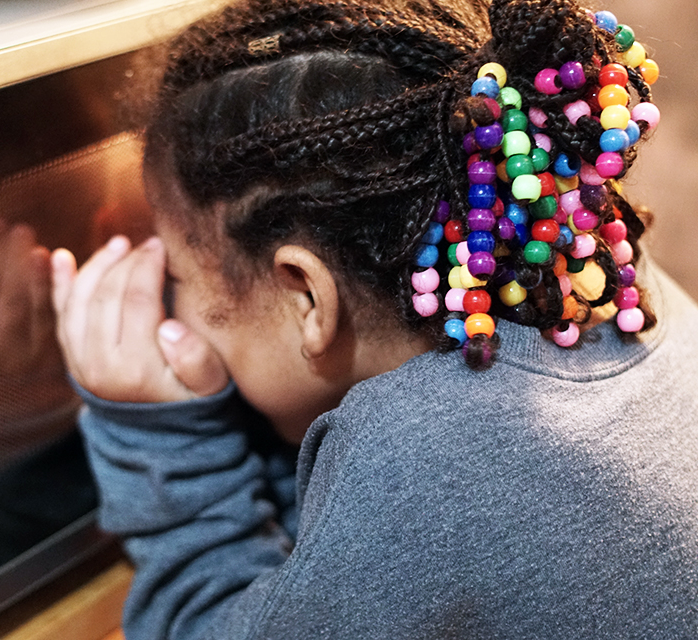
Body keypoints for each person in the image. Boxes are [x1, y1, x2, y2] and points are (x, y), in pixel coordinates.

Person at [50, 0, 698, 636]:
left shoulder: (417, 460)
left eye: (178, 277)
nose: (173, 303)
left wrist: (171, 441)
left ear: (306, 296)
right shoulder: (618, 276)